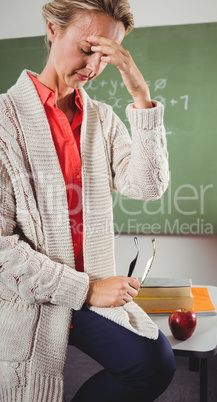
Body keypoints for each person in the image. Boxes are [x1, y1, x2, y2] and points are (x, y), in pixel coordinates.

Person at [0, 0, 175, 401]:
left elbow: (148, 186)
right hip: (34, 294)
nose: (94, 67)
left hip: (93, 287)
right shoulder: (4, 123)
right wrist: (87, 290)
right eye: (86, 48)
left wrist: (140, 93)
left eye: (107, 56)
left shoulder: (102, 119)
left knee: (153, 362)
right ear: (52, 31)